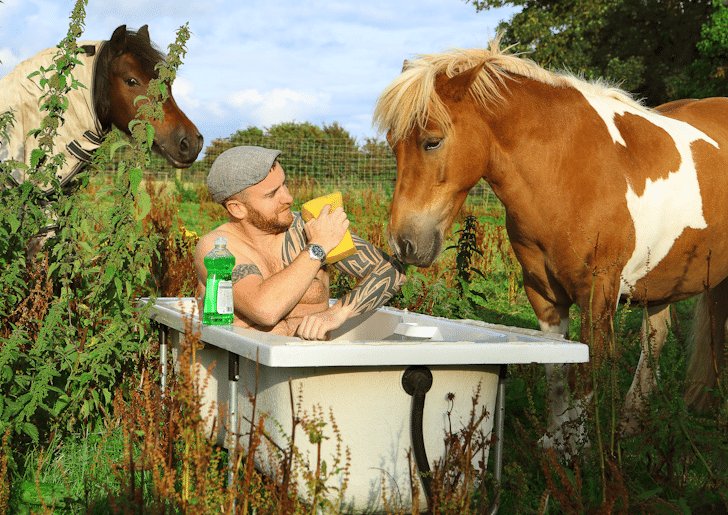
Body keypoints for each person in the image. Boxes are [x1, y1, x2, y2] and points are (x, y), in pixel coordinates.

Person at [194, 145, 407, 340]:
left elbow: (392, 271)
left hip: (310, 366)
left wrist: (337, 313)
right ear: (237, 208)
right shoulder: (217, 249)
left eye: (284, 184)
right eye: (271, 194)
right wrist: (318, 248)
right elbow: (265, 310)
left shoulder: (308, 228)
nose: (288, 198)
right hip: (247, 371)